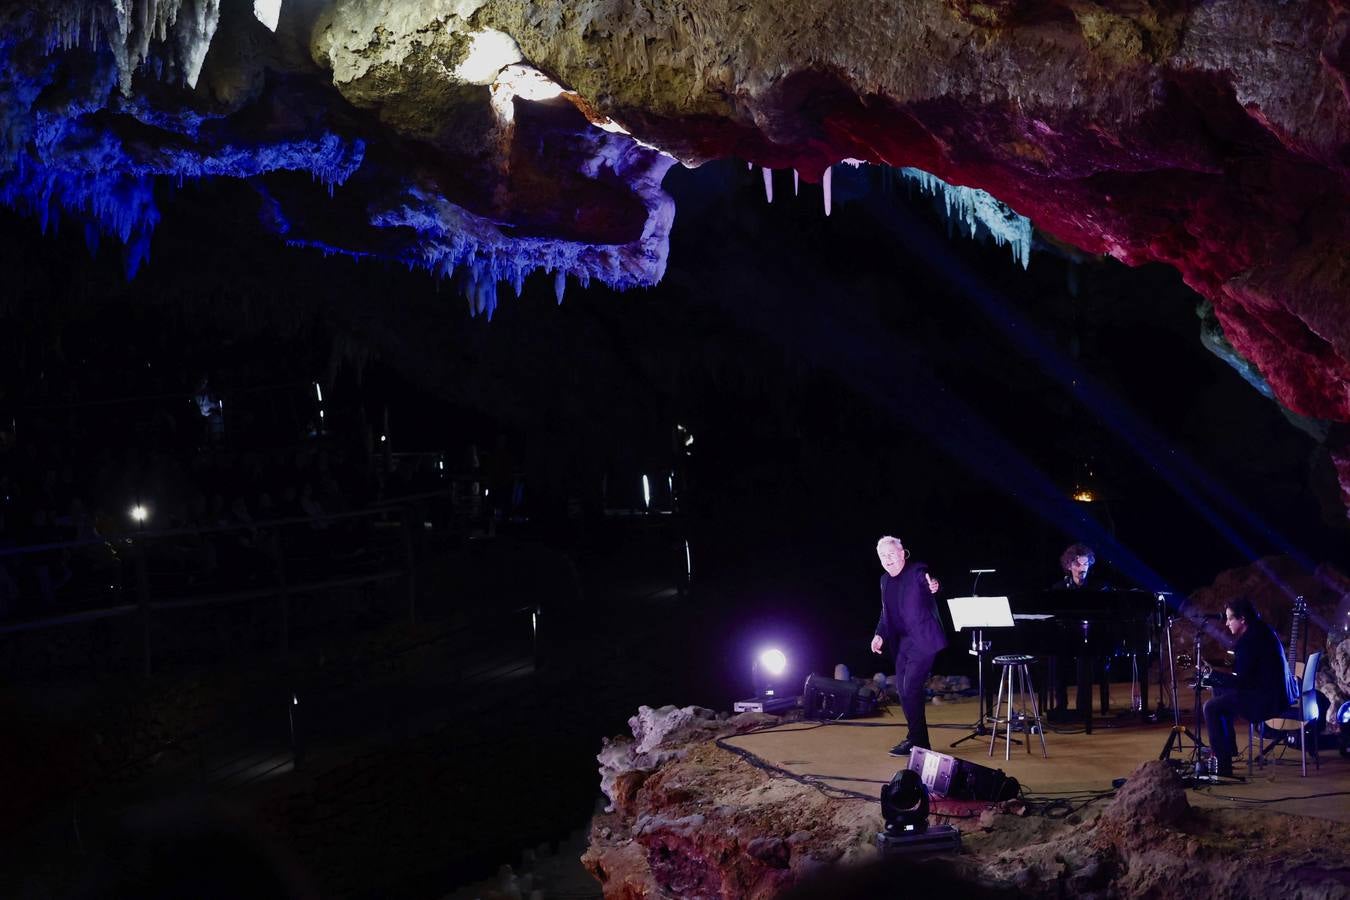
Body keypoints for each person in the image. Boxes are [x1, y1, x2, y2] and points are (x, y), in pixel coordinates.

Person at [1202, 597, 1297, 777]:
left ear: (1242, 619)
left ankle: (1222, 765)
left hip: (1266, 700)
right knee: (1219, 691)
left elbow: (1242, 681)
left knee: (1210, 707)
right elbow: (1244, 669)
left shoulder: (1250, 640)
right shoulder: (1261, 630)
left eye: (1230, 618)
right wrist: (1216, 676)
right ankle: (1227, 750)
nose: (1227, 623)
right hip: (1275, 694)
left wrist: (1212, 676)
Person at [869, 536, 944, 756]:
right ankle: (917, 740)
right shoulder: (884, 580)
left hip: (923, 639)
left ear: (902, 553)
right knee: (903, 690)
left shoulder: (917, 572)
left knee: (910, 687)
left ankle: (918, 743)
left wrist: (935, 585)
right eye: (883, 555)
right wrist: (879, 635)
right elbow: (886, 612)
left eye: (891, 554)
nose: (887, 559)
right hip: (903, 643)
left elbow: (931, 584)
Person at [1050, 543, 1111, 718]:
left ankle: (1083, 708)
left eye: (1085, 564)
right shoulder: (1059, 588)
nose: (1081, 568)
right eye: (1077, 564)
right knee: (1057, 658)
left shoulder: (1098, 588)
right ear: (1069, 566)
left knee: (1085, 659)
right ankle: (1061, 706)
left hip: (1091, 638)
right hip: (1066, 637)